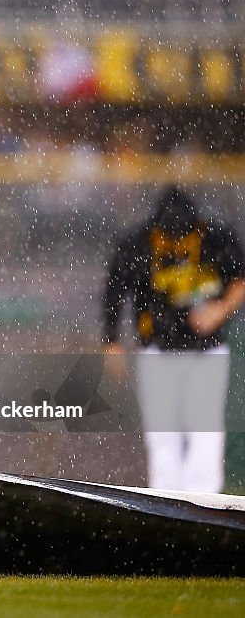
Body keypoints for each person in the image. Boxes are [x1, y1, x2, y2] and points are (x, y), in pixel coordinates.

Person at [103, 185, 245, 493]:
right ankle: (166, 502)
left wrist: (219, 310)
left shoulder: (214, 238)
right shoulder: (139, 243)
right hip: (157, 351)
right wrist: (112, 342)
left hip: (206, 352)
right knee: (162, 433)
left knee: (205, 428)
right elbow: (114, 292)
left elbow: (240, 279)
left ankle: (205, 504)